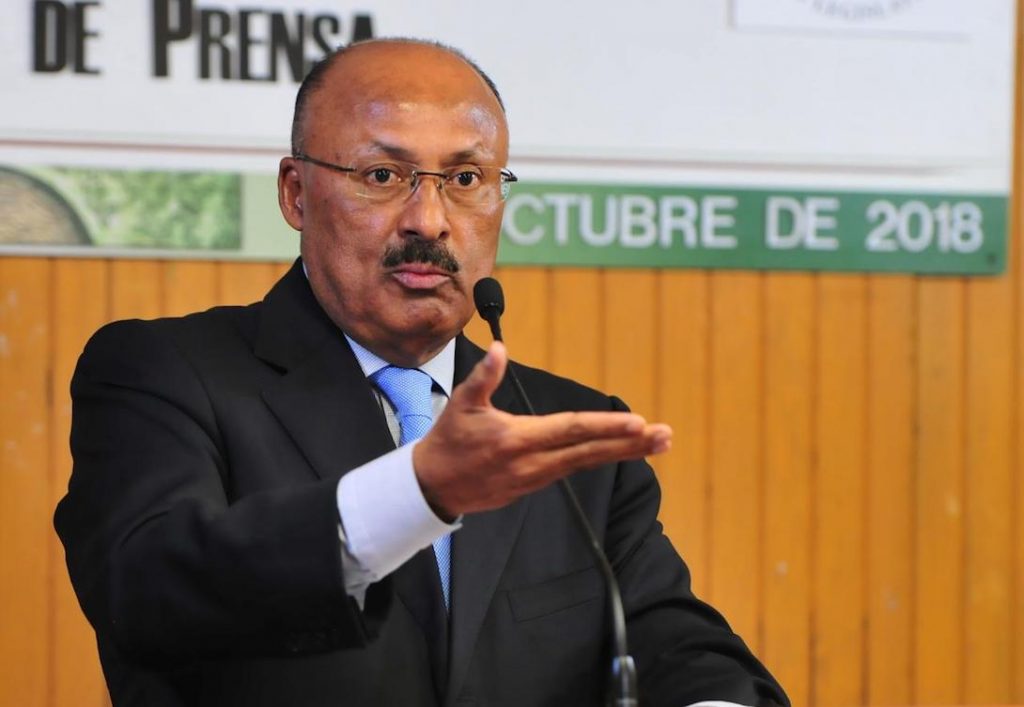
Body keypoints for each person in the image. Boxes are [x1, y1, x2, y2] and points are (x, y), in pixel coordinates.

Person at [55, 39, 789, 707]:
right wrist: (417, 492)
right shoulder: (166, 375)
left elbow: (678, 649)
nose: (429, 220)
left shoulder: (565, 437)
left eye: (466, 177)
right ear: (295, 193)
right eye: (383, 175)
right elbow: (146, 592)